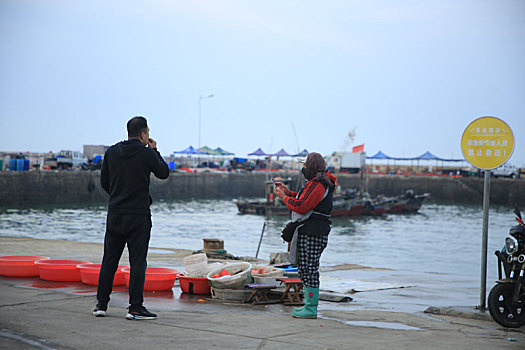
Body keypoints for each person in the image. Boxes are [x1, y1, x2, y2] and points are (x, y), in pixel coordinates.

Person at [93, 116, 169, 320]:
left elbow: (104, 182)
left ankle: (101, 305)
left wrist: (118, 197)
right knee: (137, 262)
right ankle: (135, 307)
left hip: (116, 213)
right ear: (144, 134)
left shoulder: (112, 152)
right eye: (148, 133)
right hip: (138, 216)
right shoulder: (146, 154)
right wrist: (154, 150)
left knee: (109, 260)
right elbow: (163, 173)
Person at [274, 152, 336, 319]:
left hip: (313, 232)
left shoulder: (318, 185)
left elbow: (301, 207)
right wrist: (288, 192)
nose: (304, 169)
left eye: (306, 166)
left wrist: (283, 197)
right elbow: (304, 200)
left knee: (309, 269)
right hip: (311, 231)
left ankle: (311, 308)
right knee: (305, 268)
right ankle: (309, 306)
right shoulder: (317, 184)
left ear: (312, 168)